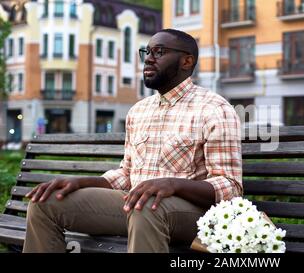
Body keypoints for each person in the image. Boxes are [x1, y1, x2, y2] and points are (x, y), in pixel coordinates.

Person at [23, 29, 243, 253]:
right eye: (146, 52)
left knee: (147, 205)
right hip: (138, 206)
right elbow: (126, 174)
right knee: (46, 202)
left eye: (159, 52)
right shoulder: (139, 110)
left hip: (194, 216)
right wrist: (82, 181)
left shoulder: (214, 109)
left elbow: (230, 186)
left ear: (187, 61)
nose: (148, 58)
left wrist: (172, 184)